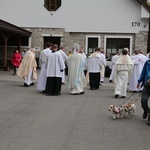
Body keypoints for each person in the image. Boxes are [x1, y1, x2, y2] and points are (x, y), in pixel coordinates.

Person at [137, 59, 150, 125]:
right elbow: (143, 72)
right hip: (147, 85)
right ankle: (146, 110)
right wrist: (139, 81)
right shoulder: (147, 62)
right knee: (143, 100)